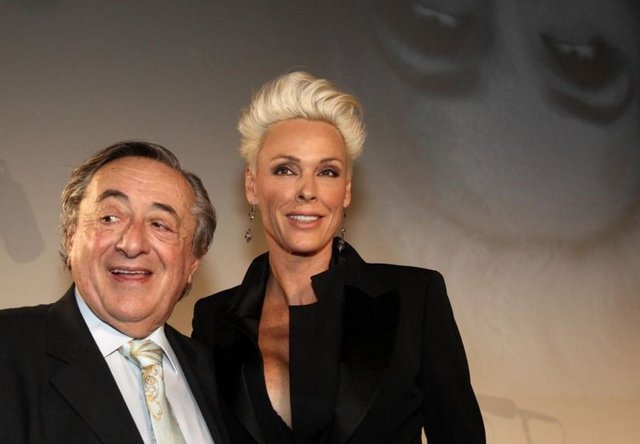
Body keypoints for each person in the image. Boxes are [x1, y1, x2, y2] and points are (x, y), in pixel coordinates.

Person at [192, 72, 485, 443]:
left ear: (346, 191)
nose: (307, 191)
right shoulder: (214, 320)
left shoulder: (414, 299)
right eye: (285, 169)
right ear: (252, 185)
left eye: (327, 172)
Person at [0, 141, 229, 444]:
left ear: (193, 261)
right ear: (70, 238)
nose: (132, 244)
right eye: (110, 218)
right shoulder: (8, 350)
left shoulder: (220, 375)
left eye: (160, 224)